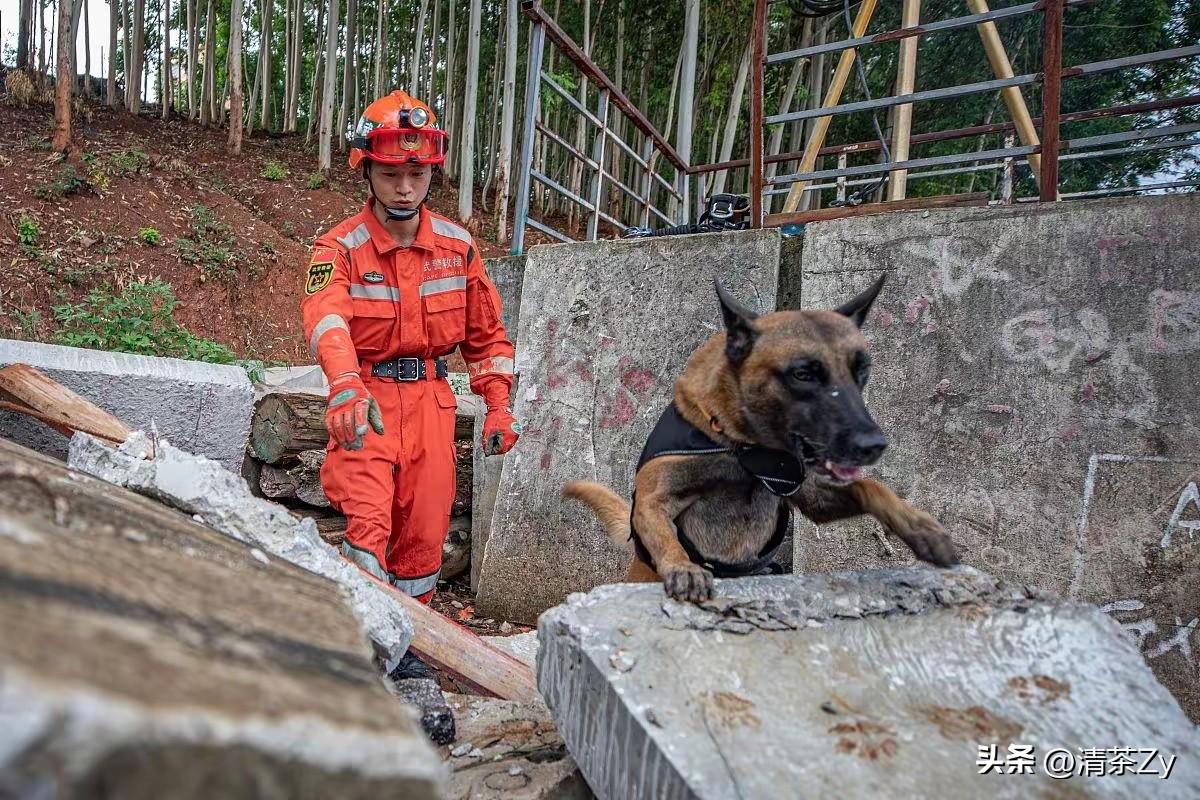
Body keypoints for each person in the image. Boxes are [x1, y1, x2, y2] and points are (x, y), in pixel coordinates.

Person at [300, 90, 520, 679]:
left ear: (431, 173)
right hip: (366, 401)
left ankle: (411, 652)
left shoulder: (458, 247)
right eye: (391, 173)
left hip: (431, 402)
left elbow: (487, 338)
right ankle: (362, 652)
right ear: (367, 170)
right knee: (368, 533)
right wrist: (344, 383)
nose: (404, 187)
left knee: (423, 539)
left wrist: (497, 406)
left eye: (416, 173)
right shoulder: (338, 248)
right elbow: (327, 317)